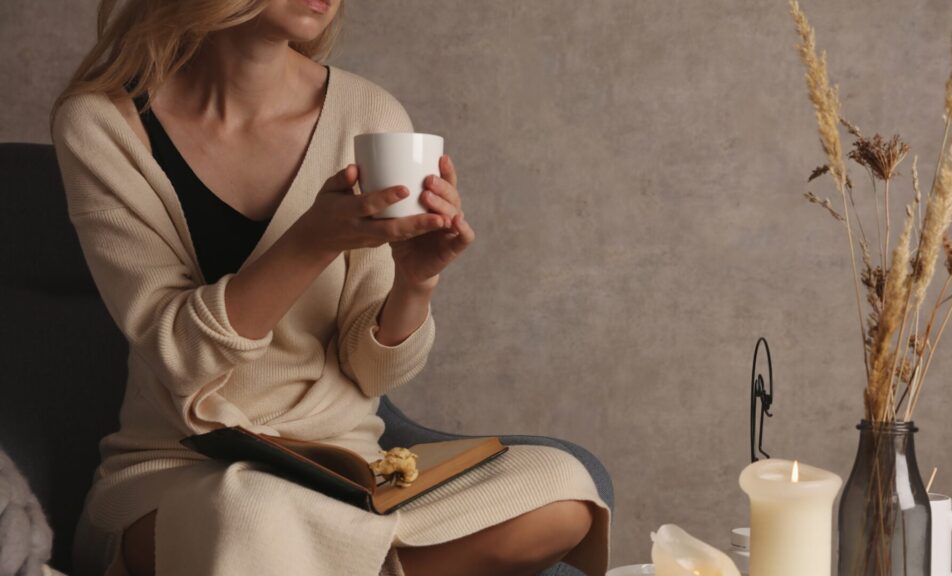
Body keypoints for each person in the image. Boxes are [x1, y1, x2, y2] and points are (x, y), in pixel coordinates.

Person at [49, 1, 611, 575]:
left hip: (350, 472)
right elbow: (181, 356)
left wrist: (416, 282)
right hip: (188, 470)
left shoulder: (369, 113)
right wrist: (311, 242)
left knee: (561, 485)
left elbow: (373, 373)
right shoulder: (101, 123)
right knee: (254, 512)